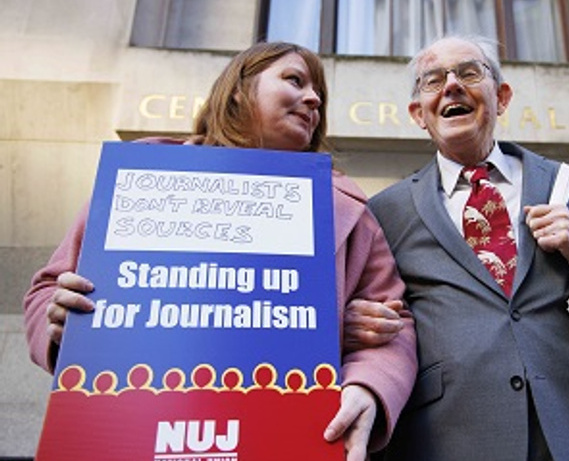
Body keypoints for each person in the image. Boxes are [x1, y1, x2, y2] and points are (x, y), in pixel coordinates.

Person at [22, 41, 417, 461]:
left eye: (318, 93)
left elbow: (395, 321)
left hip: (290, 438)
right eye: (294, 80)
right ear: (238, 90)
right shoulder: (143, 175)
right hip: (134, 434)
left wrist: (368, 389)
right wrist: (64, 318)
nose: (314, 99)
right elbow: (46, 290)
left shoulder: (347, 207)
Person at [367, 35, 569, 460]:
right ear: (418, 114)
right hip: (454, 436)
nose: (452, 86)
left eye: (470, 73)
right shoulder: (386, 212)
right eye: (433, 80)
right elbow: (381, 319)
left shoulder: (568, 187)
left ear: (502, 95)